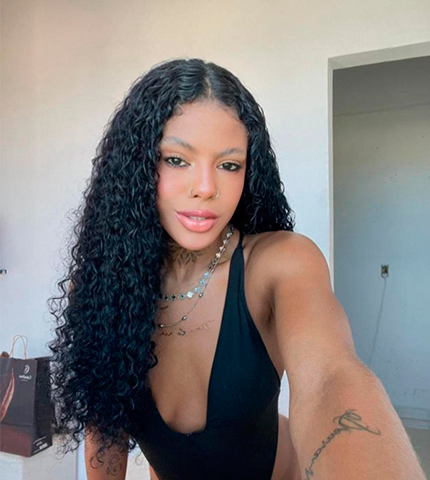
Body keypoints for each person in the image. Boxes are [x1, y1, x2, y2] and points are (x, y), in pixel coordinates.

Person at [47, 58, 426, 480]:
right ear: (135, 165)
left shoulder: (280, 264)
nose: (206, 187)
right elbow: (106, 427)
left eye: (229, 165)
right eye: (177, 159)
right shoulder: (104, 288)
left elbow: (330, 379)